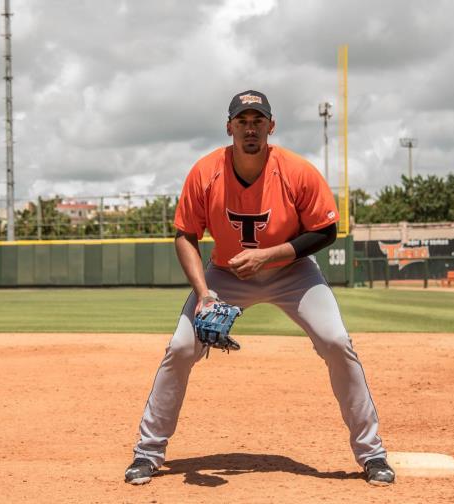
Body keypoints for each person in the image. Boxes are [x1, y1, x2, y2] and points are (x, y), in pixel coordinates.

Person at [124, 90, 395, 486]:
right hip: (225, 276)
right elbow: (185, 235)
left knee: (337, 342)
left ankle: (373, 454)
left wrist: (268, 256)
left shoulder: (296, 170)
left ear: (271, 125)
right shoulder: (205, 171)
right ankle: (148, 452)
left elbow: (325, 231)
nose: (250, 128)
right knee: (181, 348)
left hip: (294, 272)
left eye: (258, 120)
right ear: (229, 126)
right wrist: (205, 294)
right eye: (242, 121)